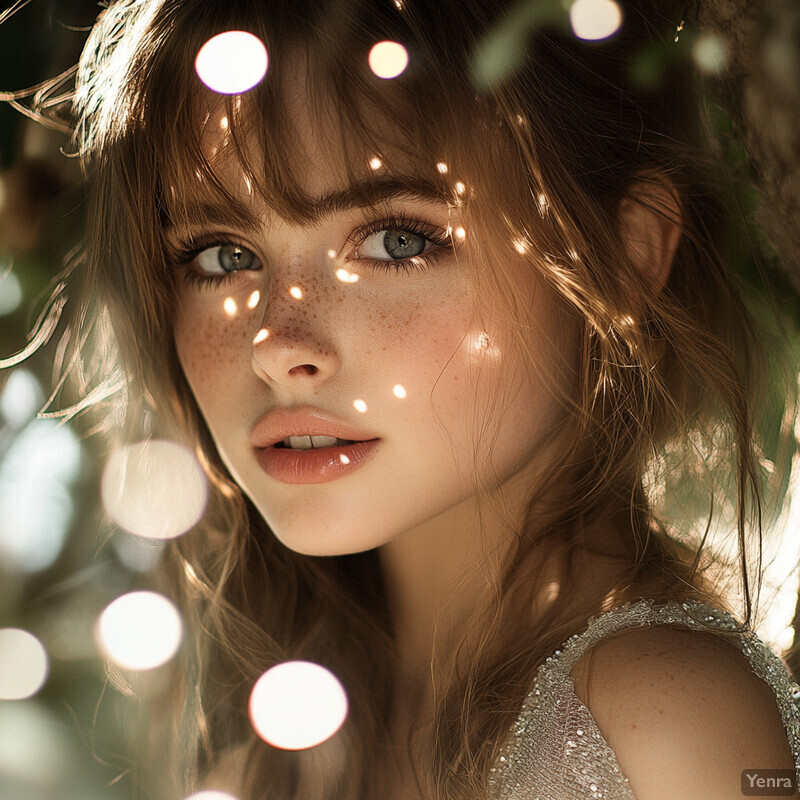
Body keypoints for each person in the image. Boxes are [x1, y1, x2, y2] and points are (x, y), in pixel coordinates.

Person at [27, 0, 800, 797]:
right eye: (223, 255)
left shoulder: (664, 717)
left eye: (398, 240)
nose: (278, 344)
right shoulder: (273, 762)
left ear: (627, 254)